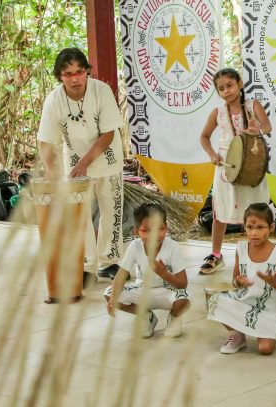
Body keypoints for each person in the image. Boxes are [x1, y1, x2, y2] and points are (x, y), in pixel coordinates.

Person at [37, 48, 124, 285]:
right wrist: (51, 171)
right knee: (79, 216)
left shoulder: (101, 91)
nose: (75, 78)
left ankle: (110, 262)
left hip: (107, 160)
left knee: (112, 212)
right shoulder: (54, 100)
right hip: (74, 166)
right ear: (59, 76)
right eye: (68, 74)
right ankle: (86, 265)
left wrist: (85, 162)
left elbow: (108, 133)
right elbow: (46, 141)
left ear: (87, 71)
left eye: (79, 72)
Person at [198, 68, 272, 275]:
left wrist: (258, 130)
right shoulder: (218, 113)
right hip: (226, 167)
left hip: (251, 165)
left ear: (240, 84)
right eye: (221, 88)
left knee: (255, 211)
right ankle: (215, 253)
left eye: (229, 85)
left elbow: (267, 126)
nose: (226, 91)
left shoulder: (252, 106)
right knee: (220, 211)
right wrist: (212, 154)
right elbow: (204, 137)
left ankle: (257, 254)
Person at [207, 203, 276, 354]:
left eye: (260, 227)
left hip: (267, 309)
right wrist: (239, 282)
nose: (254, 233)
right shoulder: (241, 249)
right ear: (244, 227)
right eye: (250, 227)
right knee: (214, 300)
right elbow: (234, 282)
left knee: (265, 349)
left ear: (271, 227)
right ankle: (236, 335)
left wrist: (273, 283)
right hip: (243, 301)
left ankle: (273, 323)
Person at [104, 203, 190, 338]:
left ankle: (174, 318)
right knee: (110, 293)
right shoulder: (135, 246)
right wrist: (113, 299)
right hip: (142, 289)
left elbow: (182, 283)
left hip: (167, 290)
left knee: (184, 300)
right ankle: (146, 315)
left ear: (166, 228)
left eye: (159, 228)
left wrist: (163, 274)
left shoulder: (172, 247)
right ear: (136, 232)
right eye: (146, 230)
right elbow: (121, 275)